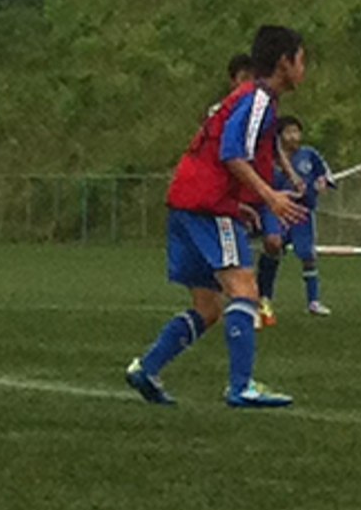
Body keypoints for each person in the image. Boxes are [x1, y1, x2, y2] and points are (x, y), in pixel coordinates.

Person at [127, 26, 308, 408]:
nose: (303, 69)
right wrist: (269, 196)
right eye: (301, 60)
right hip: (208, 206)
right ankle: (241, 386)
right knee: (245, 289)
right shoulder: (258, 99)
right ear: (283, 62)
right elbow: (231, 153)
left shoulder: (246, 98)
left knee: (208, 308)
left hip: (186, 201)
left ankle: (147, 368)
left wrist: (240, 202)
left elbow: (215, 152)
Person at [256, 116, 336, 323]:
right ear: (279, 136)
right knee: (273, 245)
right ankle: (264, 298)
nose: (293, 136)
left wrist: (322, 182)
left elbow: (325, 174)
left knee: (308, 255)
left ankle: (314, 301)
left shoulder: (309, 154)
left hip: (302, 211)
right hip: (277, 210)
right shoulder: (268, 159)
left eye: (296, 131)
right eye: (288, 132)